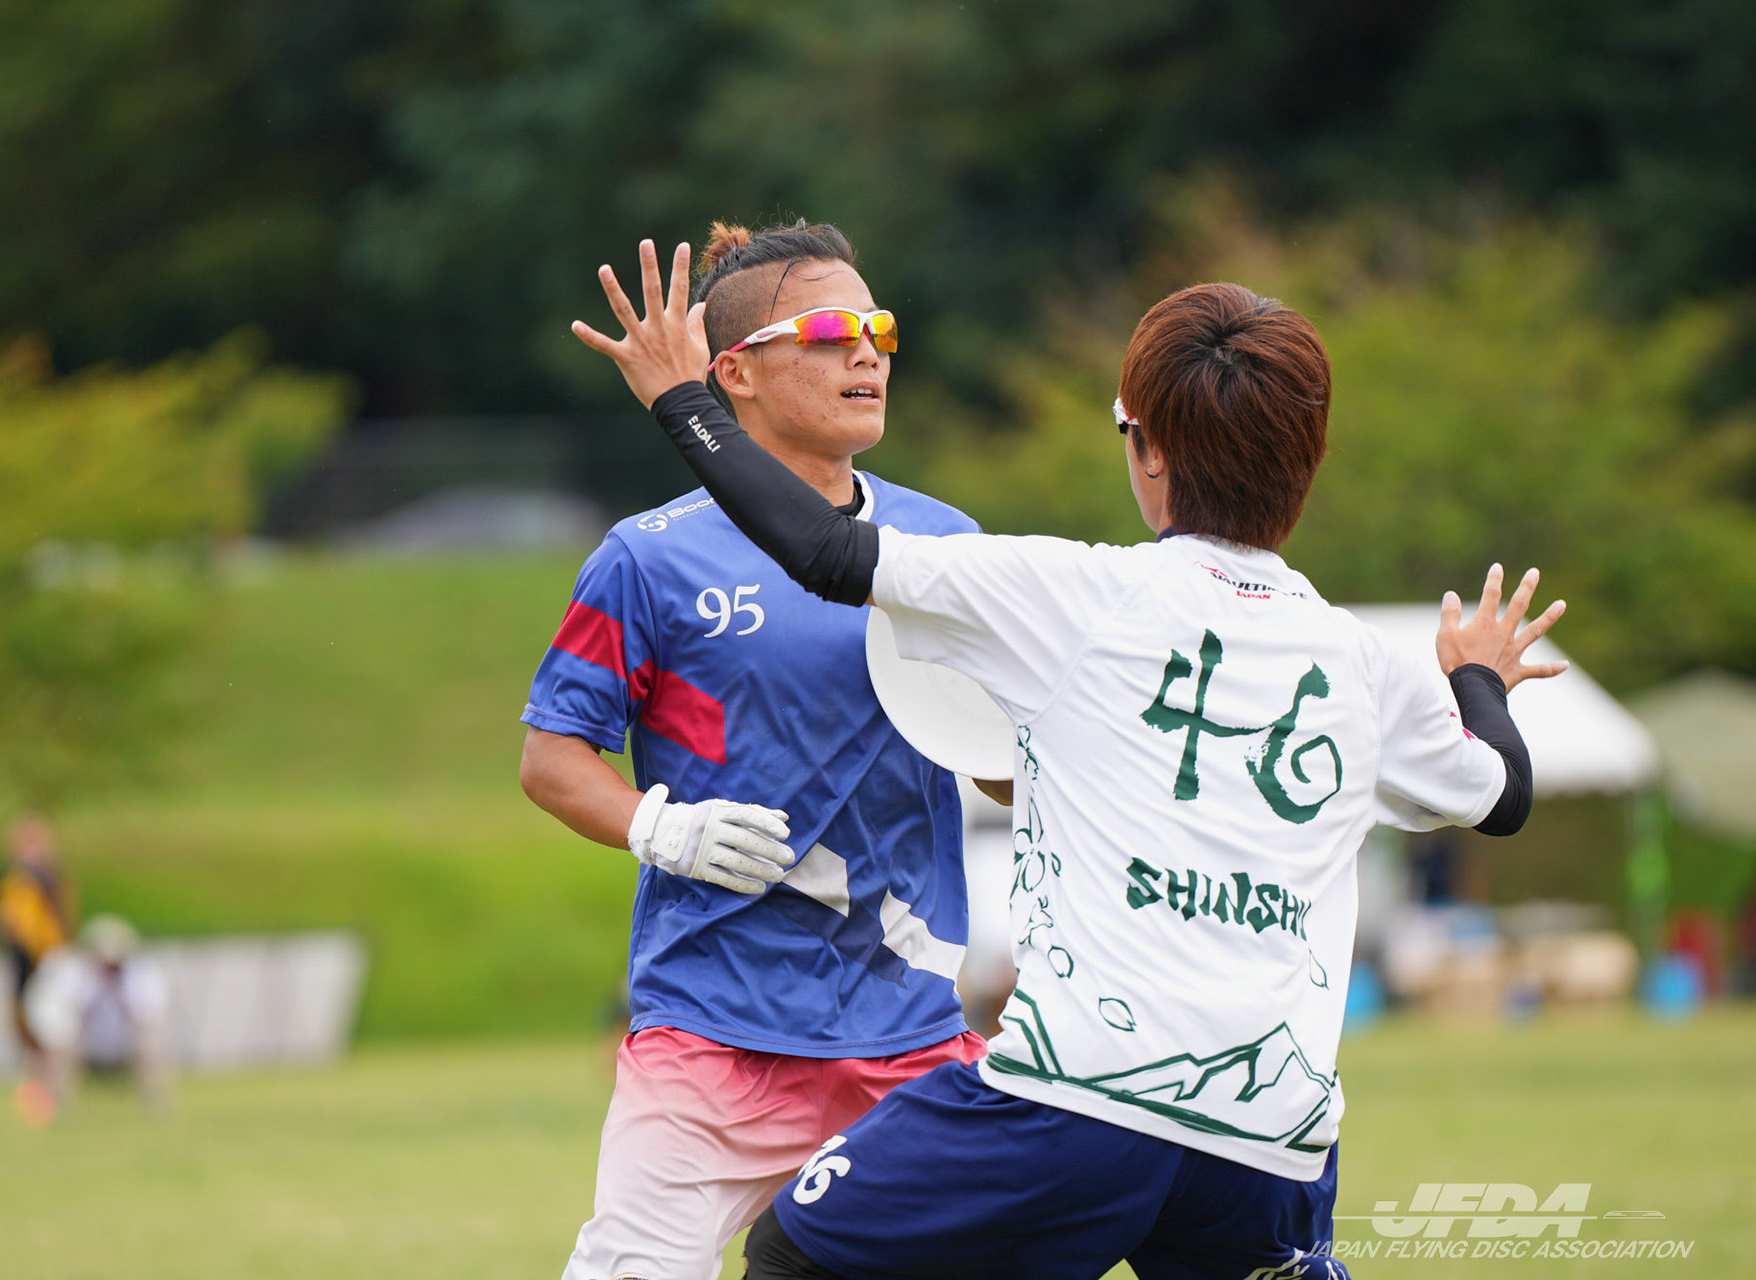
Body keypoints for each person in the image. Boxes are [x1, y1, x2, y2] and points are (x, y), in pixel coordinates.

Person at [572, 248, 1569, 1279]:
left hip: (1078, 1103)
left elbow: (824, 552)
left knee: (796, 1250)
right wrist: (1477, 677)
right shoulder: (1359, 661)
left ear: (1148, 453)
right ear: (1308, 466)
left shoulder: (1075, 595)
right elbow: (1504, 794)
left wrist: (682, 402)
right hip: (1273, 1134)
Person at [524, 223, 998, 1280]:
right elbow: (551, 759)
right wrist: (663, 829)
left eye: (879, 329)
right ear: (733, 373)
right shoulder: (646, 558)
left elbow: (1004, 773)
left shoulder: (946, 543)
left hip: (909, 1039)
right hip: (710, 1037)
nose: (867, 352)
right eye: (829, 332)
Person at [23, 914, 172, 1117]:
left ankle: (157, 1103)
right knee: (61, 1046)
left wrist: (120, 994)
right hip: (85, 1042)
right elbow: (64, 1013)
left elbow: (148, 1013)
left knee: (151, 1042)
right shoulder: (76, 973)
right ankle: (58, 1105)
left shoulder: (140, 974)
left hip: (125, 1041)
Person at [0, 812, 74, 1121]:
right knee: (26, 1028)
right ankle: (39, 1092)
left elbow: (48, 924)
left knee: (49, 1029)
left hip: (45, 962)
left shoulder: (42, 878)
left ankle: (52, 1092)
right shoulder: (19, 879)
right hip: (26, 960)